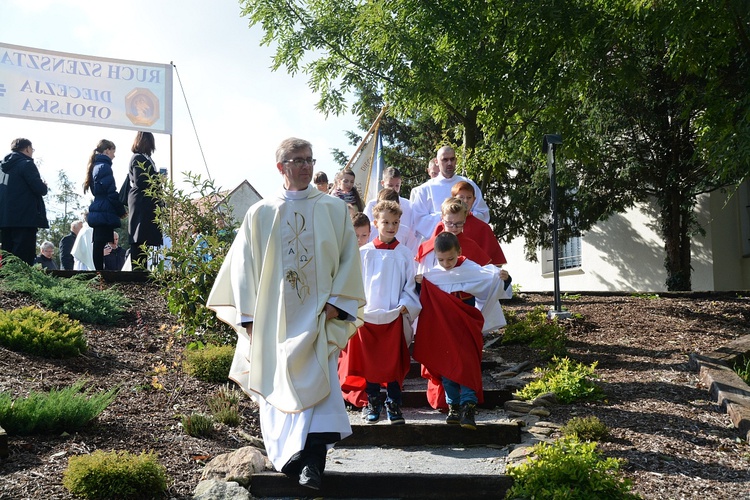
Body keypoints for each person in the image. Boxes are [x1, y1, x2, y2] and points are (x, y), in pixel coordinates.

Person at [206, 137, 366, 491]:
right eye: (298, 160)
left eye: (309, 159)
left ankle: (313, 464)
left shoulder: (334, 209)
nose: (306, 166)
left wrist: (338, 301)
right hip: (273, 319)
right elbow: (242, 269)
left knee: (320, 387)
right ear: (281, 167)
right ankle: (290, 459)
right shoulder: (260, 212)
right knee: (277, 385)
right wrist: (248, 316)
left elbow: (348, 259)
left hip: (319, 315)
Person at [413, 232, 508, 430]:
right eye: (441, 259)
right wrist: (418, 284)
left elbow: (491, 284)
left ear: (459, 252)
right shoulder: (434, 275)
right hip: (444, 330)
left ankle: (468, 407)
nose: (446, 263)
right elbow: (422, 298)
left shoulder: (472, 270)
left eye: (450, 258)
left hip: (466, 328)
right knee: (448, 368)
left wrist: (504, 279)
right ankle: (453, 406)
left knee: (468, 366)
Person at [339, 200, 420, 424]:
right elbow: (355, 283)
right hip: (368, 317)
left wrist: (405, 304)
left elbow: (409, 286)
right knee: (370, 363)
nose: (391, 226)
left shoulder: (404, 254)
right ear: (375, 223)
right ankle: (372, 401)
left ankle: (393, 404)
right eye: (386, 222)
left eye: (395, 222)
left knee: (392, 363)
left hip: (392, 316)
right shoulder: (364, 253)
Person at [410, 146, 490, 239]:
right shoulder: (425, 189)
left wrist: (464, 217)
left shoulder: (468, 184)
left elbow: (483, 214)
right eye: (445, 159)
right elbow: (418, 220)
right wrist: (446, 217)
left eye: (452, 159)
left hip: (467, 241)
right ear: (436, 161)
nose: (449, 163)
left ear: (456, 160)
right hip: (438, 244)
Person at [430, 181, 507, 266]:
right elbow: (430, 255)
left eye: (469, 197)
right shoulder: (442, 225)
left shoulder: (482, 227)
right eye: (461, 197)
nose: (465, 201)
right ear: (454, 198)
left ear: (474, 200)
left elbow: (492, 265)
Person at [0, 138, 49, 266]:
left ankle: (6, 283)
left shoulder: (1, 167)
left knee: (7, 256)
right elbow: (39, 188)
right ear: (27, 149)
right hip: (24, 218)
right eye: (32, 149)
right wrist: (44, 185)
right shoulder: (26, 164)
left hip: (4, 219)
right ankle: (20, 284)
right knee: (23, 257)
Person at [416, 198, 492, 273]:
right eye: (449, 223)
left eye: (459, 223)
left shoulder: (471, 246)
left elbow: (484, 273)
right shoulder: (428, 247)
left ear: (465, 219)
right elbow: (423, 272)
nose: (454, 227)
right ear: (442, 218)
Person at [83, 139, 126, 271]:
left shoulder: (95, 166)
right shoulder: (104, 167)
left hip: (99, 207)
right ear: (107, 150)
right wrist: (120, 209)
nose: (114, 155)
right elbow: (111, 192)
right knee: (100, 242)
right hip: (105, 209)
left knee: (99, 241)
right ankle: (100, 273)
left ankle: (99, 271)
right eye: (113, 151)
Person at [126, 131, 163, 270]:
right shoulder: (138, 158)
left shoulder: (145, 158)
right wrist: (157, 178)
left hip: (146, 201)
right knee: (139, 236)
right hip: (141, 202)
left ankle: (142, 269)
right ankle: (138, 270)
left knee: (144, 237)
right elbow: (141, 180)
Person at [362, 167, 415, 245]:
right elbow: (365, 230)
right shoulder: (372, 205)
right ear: (383, 183)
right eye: (390, 185)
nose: (394, 189)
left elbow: (412, 232)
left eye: (397, 185)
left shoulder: (408, 205)